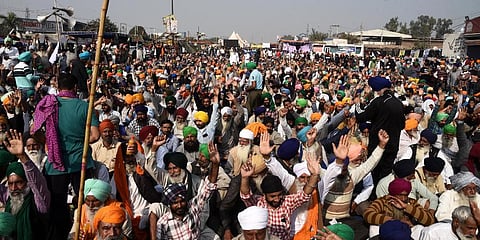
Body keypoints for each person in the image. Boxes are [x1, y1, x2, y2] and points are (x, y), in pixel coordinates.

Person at [32, 72, 99, 239]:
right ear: (75, 87)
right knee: (86, 203)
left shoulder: (49, 104)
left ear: (57, 86)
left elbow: (34, 131)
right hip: (80, 162)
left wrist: (50, 142)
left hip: (56, 164)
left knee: (57, 205)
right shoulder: (85, 106)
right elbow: (95, 136)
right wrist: (78, 141)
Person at [239, 133, 320, 240]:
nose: (277, 199)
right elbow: (246, 195)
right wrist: (244, 178)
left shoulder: (287, 202)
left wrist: (315, 175)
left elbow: (305, 194)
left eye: (279, 195)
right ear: (264, 195)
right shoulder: (258, 203)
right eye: (272, 196)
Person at [156, 142, 221, 239]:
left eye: (175, 168)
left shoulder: (193, 209)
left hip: (199, 223)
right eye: (170, 169)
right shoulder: (164, 223)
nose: (179, 205)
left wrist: (215, 164)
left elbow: (208, 188)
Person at [354, 76, 405, 184]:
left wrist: (357, 103)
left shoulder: (379, 102)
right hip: (393, 145)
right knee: (386, 175)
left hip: (378, 145)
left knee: (374, 173)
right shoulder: (399, 103)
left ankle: (373, 197)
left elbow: (361, 117)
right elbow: (402, 125)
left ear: (377, 89)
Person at [2, 129, 50, 240]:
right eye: (10, 184)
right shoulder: (9, 200)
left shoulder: (38, 202)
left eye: (19, 182)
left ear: (27, 182)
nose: (14, 188)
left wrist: (22, 156)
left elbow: (37, 184)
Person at [364, 178, 435, 239]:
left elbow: (430, 220)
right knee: (374, 227)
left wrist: (407, 207)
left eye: (406, 195)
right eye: (400, 195)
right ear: (393, 194)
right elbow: (367, 214)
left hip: (406, 233)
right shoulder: (383, 201)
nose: (403, 198)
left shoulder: (411, 202)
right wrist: (396, 222)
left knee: (419, 228)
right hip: (387, 233)